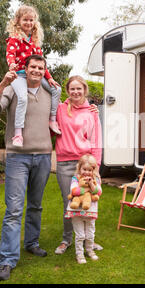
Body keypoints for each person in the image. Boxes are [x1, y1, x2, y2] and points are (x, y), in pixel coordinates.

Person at [0, 54, 53, 281]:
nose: (37, 71)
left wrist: (90, 109)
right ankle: (7, 260)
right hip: (17, 158)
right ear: (26, 68)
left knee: (35, 205)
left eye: (41, 68)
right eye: (33, 66)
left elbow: (67, 113)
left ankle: (32, 243)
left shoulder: (49, 92)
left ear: (44, 70)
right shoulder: (14, 89)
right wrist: (3, 84)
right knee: (13, 210)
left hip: (43, 157)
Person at [54, 75, 103, 255]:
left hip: (86, 164)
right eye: (72, 88)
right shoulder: (59, 109)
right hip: (65, 162)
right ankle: (67, 240)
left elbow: (96, 139)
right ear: (68, 91)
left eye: (79, 88)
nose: (76, 92)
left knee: (89, 200)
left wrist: (96, 165)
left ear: (84, 90)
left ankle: (89, 240)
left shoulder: (92, 112)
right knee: (70, 201)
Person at [5, 5, 62, 147]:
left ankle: (52, 120)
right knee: (23, 98)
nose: (29, 23)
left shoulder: (34, 42)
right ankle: (18, 134)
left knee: (57, 89)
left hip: (36, 75)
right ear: (18, 21)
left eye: (31, 20)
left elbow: (41, 62)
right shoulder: (14, 39)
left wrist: (48, 77)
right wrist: (11, 64)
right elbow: (10, 54)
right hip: (20, 75)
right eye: (25, 20)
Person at [65, 154, 102, 264]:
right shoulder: (75, 179)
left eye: (89, 170)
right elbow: (74, 191)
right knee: (80, 235)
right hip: (76, 211)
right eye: (84, 169)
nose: (86, 172)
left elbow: (98, 192)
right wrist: (86, 190)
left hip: (90, 211)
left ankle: (89, 250)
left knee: (90, 234)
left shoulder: (96, 179)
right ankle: (79, 254)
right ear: (79, 168)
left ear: (93, 170)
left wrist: (90, 184)